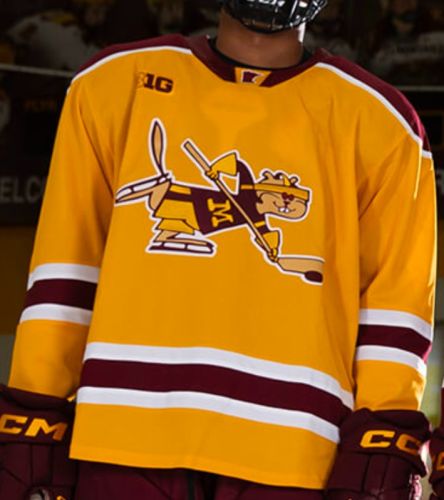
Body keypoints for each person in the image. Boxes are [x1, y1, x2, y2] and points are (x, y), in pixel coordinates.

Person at [0, 0, 437, 499]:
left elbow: (395, 312)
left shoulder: (383, 122)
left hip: (294, 451)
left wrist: (382, 439)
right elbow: (65, 274)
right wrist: (35, 409)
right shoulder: (112, 83)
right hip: (122, 433)